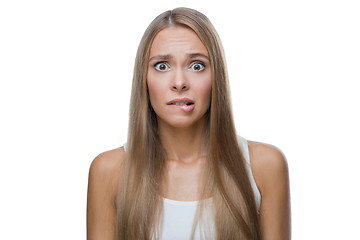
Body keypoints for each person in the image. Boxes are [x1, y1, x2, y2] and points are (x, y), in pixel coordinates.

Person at [87, 7, 291, 240]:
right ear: (144, 79)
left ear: (217, 78)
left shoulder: (263, 166)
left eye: (197, 65)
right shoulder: (109, 171)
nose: (179, 82)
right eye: (162, 66)